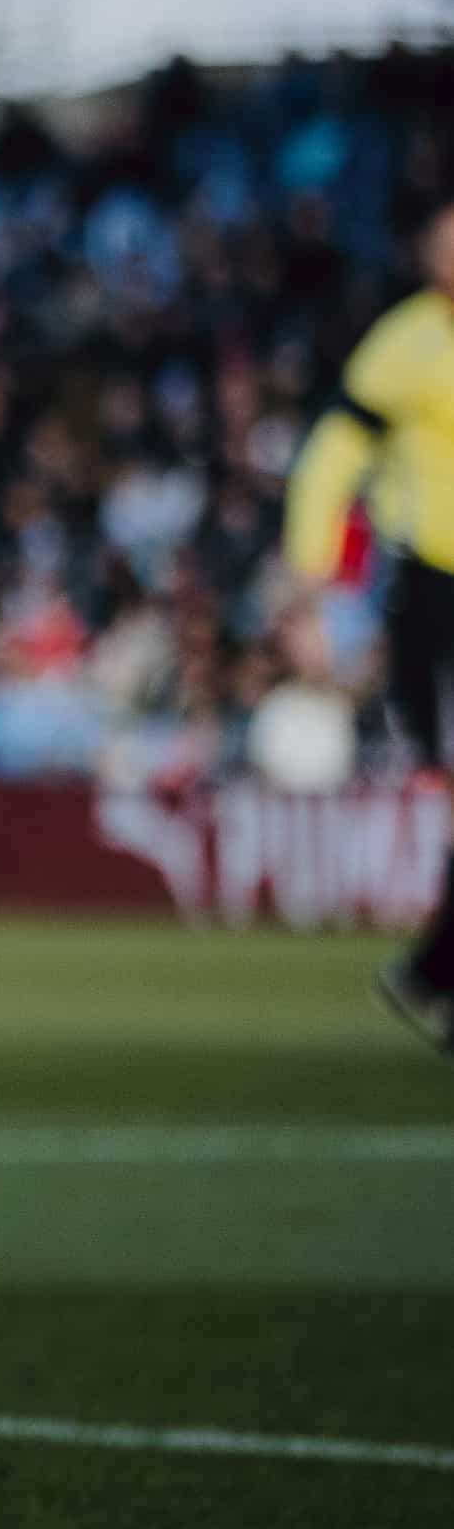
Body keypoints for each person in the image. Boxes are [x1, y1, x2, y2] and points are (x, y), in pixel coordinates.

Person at [286, 192, 454, 1054]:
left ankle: (434, 970)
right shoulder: (407, 343)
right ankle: (436, 970)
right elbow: (330, 458)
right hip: (436, 588)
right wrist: (310, 585)